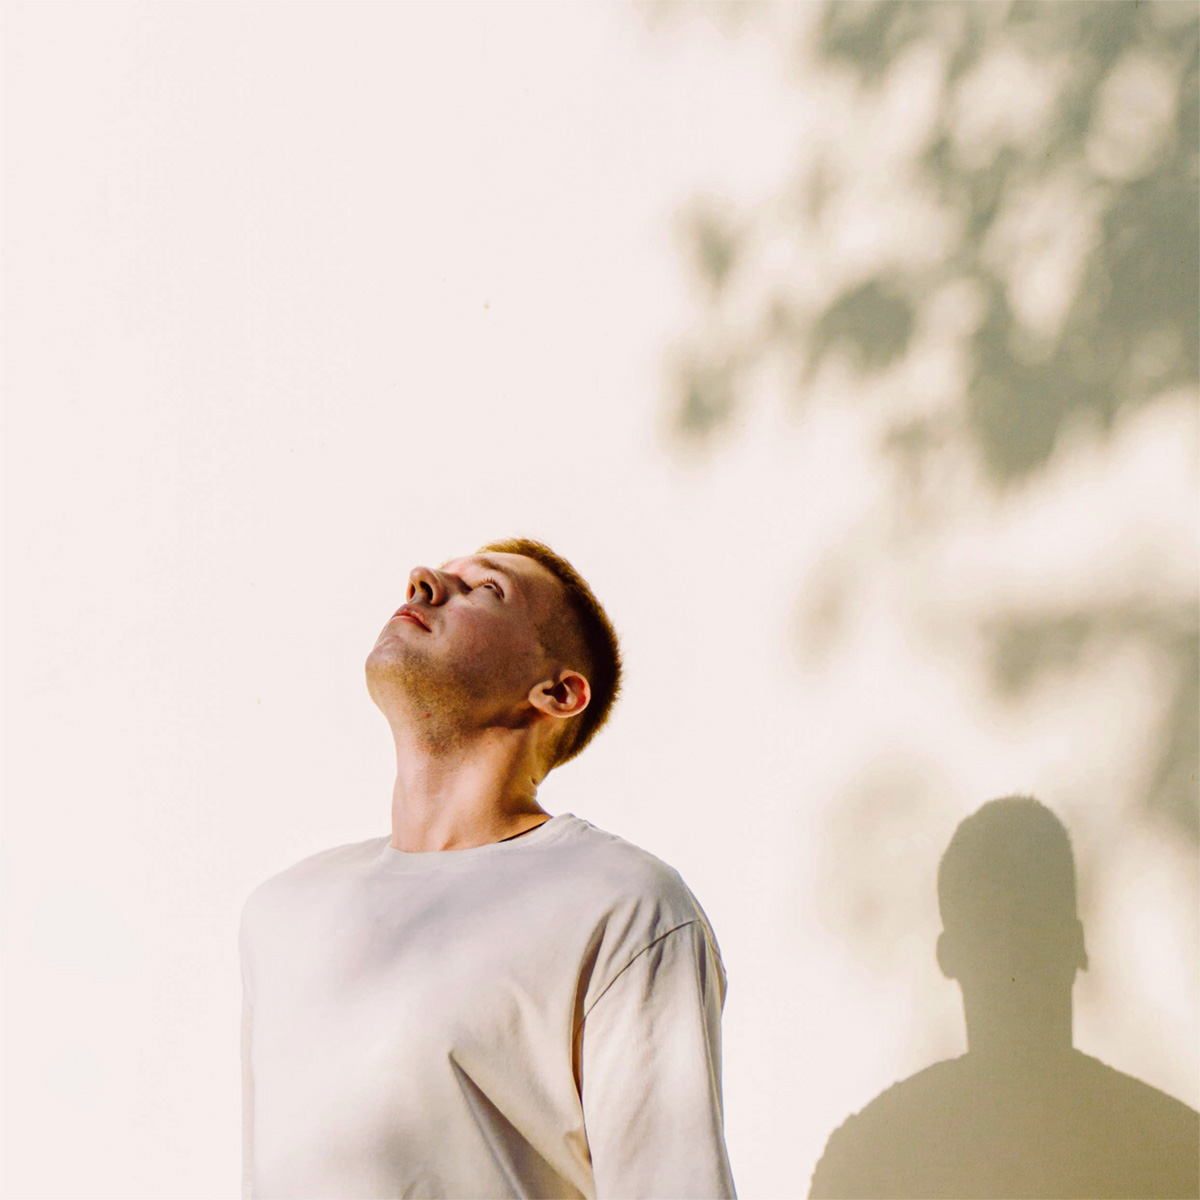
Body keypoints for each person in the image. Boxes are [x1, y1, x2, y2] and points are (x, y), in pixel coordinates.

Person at [239, 536, 736, 1199]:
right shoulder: (283, 912)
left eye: (487, 589)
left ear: (557, 691)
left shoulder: (623, 907)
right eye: (439, 574)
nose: (423, 581)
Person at [809, 795, 1199, 1199]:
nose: (1016, 953)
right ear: (1077, 946)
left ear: (948, 957)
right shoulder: (1175, 1150)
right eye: (1000, 934)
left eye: (1027, 933)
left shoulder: (872, 1159)